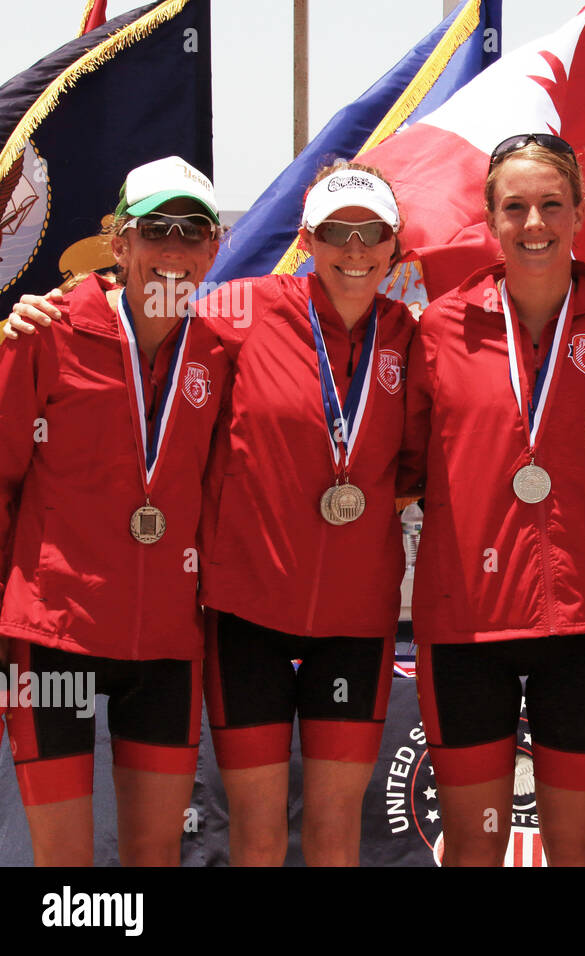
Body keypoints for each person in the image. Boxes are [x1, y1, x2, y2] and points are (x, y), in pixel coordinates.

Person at [398, 133, 585, 866]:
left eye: (552, 204)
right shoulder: (439, 329)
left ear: (581, 212)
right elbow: (405, 464)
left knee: (578, 848)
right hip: (466, 622)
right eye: (515, 207)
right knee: (475, 847)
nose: (535, 223)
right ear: (490, 219)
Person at [0, 156, 226, 865]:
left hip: (165, 645)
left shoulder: (220, 351)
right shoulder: (45, 332)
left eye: (194, 231)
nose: (175, 249)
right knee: (62, 867)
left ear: (214, 248)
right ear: (118, 242)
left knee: (153, 859)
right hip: (54, 634)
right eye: (157, 229)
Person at [192, 162, 415, 866]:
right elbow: (141, 332)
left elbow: (417, 465)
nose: (355, 249)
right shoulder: (240, 310)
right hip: (246, 611)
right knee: (256, 834)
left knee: (334, 830)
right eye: (336, 233)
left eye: (371, 232)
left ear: (394, 245)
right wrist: (59, 307)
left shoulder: (410, 335)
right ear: (306, 239)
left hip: (355, 620)